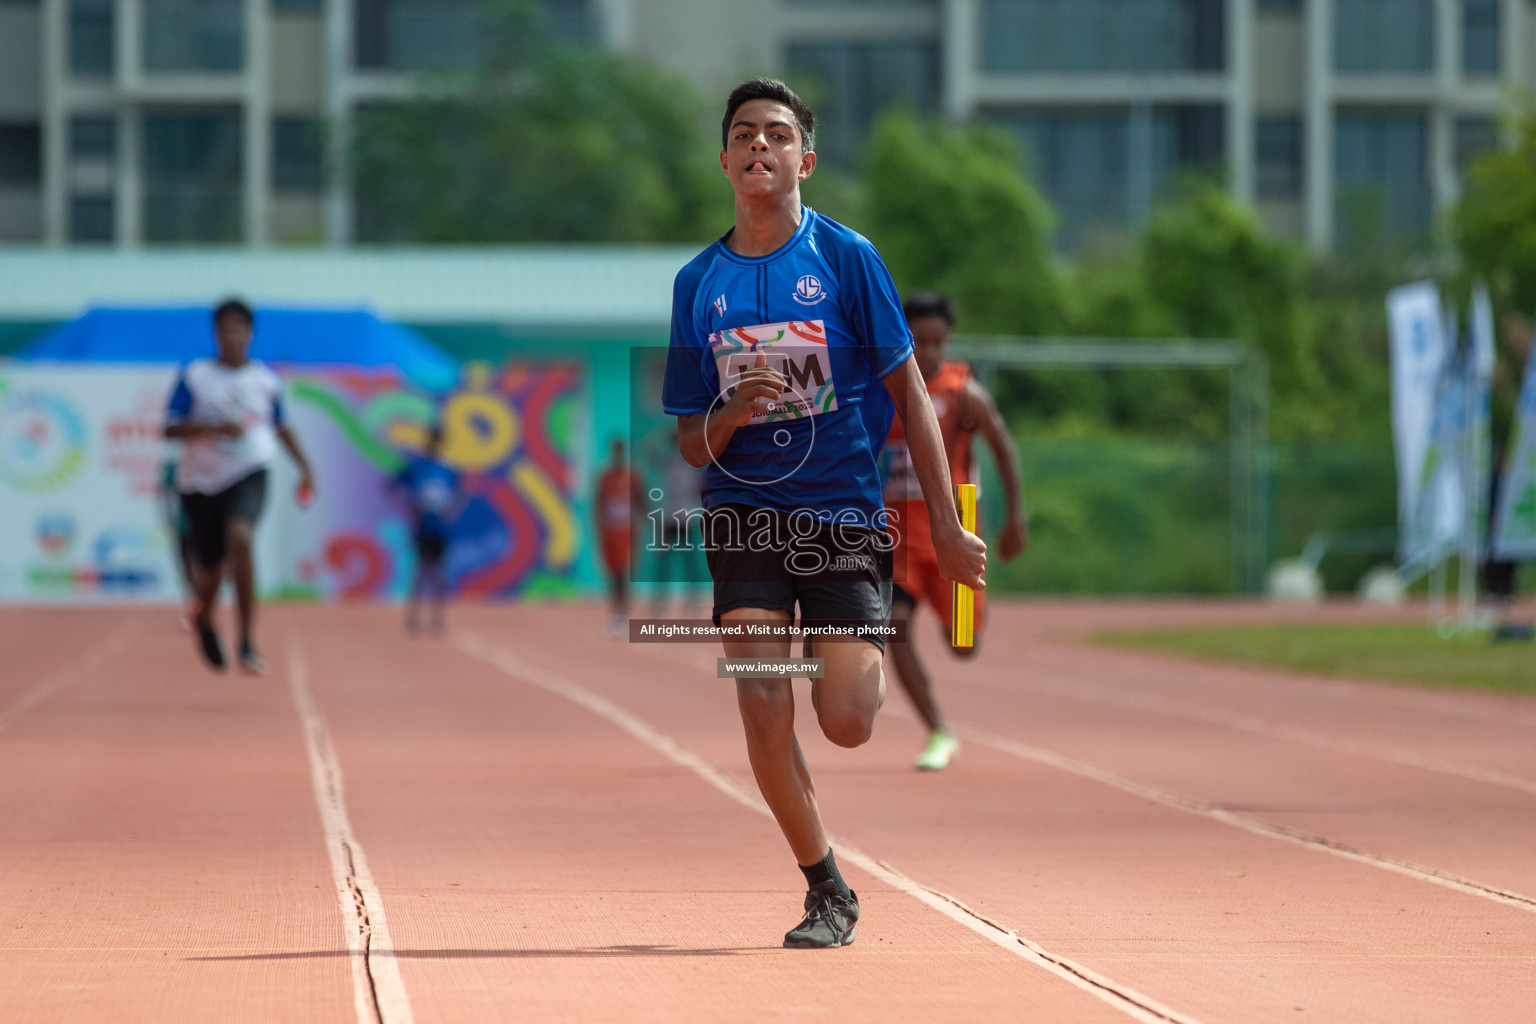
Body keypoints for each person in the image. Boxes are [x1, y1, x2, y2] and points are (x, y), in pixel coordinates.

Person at [663, 79, 986, 949]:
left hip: (841, 511)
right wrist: (730, 414)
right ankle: (827, 889)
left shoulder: (846, 259)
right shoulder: (699, 283)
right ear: (725, 160)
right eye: (743, 135)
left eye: (775, 135)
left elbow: (913, 396)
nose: (758, 147)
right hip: (744, 516)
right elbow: (692, 444)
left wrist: (950, 529)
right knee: (763, 704)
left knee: (844, 720)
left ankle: (845, 647)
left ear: (804, 159)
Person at [881, 291, 1029, 771]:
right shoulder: (884, 389)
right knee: (895, 630)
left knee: (963, 646)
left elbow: (1004, 448)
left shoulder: (964, 393)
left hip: (955, 537)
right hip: (898, 537)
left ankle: (966, 617)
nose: (927, 353)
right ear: (903, 339)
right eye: (917, 342)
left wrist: (1015, 518)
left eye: (936, 342)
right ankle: (938, 730)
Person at [164, 299, 315, 674]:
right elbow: (169, 428)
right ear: (216, 334)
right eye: (225, 330)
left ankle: (247, 640)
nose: (232, 337)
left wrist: (306, 468)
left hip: (249, 470)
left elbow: (282, 426)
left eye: (239, 329)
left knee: (241, 537)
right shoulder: (196, 375)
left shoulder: (265, 381)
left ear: (250, 334)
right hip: (200, 481)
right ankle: (204, 618)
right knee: (211, 568)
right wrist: (211, 429)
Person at [390, 424, 461, 635]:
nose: (435, 445)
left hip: (441, 529)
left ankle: (437, 617)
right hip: (422, 527)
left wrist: (451, 511)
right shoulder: (416, 466)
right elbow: (392, 487)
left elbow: (457, 494)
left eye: (439, 441)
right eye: (432, 440)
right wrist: (408, 509)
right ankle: (413, 616)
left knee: (439, 573)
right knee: (420, 572)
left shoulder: (448, 469)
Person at [594, 438, 645, 637]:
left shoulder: (633, 477)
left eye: (620, 451)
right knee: (613, 573)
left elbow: (641, 500)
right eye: (615, 451)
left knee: (625, 572)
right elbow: (598, 504)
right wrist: (599, 529)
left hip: (628, 530)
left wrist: (645, 524)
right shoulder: (604, 477)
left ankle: (622, 613)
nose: (618, 455)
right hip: (610, 530)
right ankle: (616, 612)